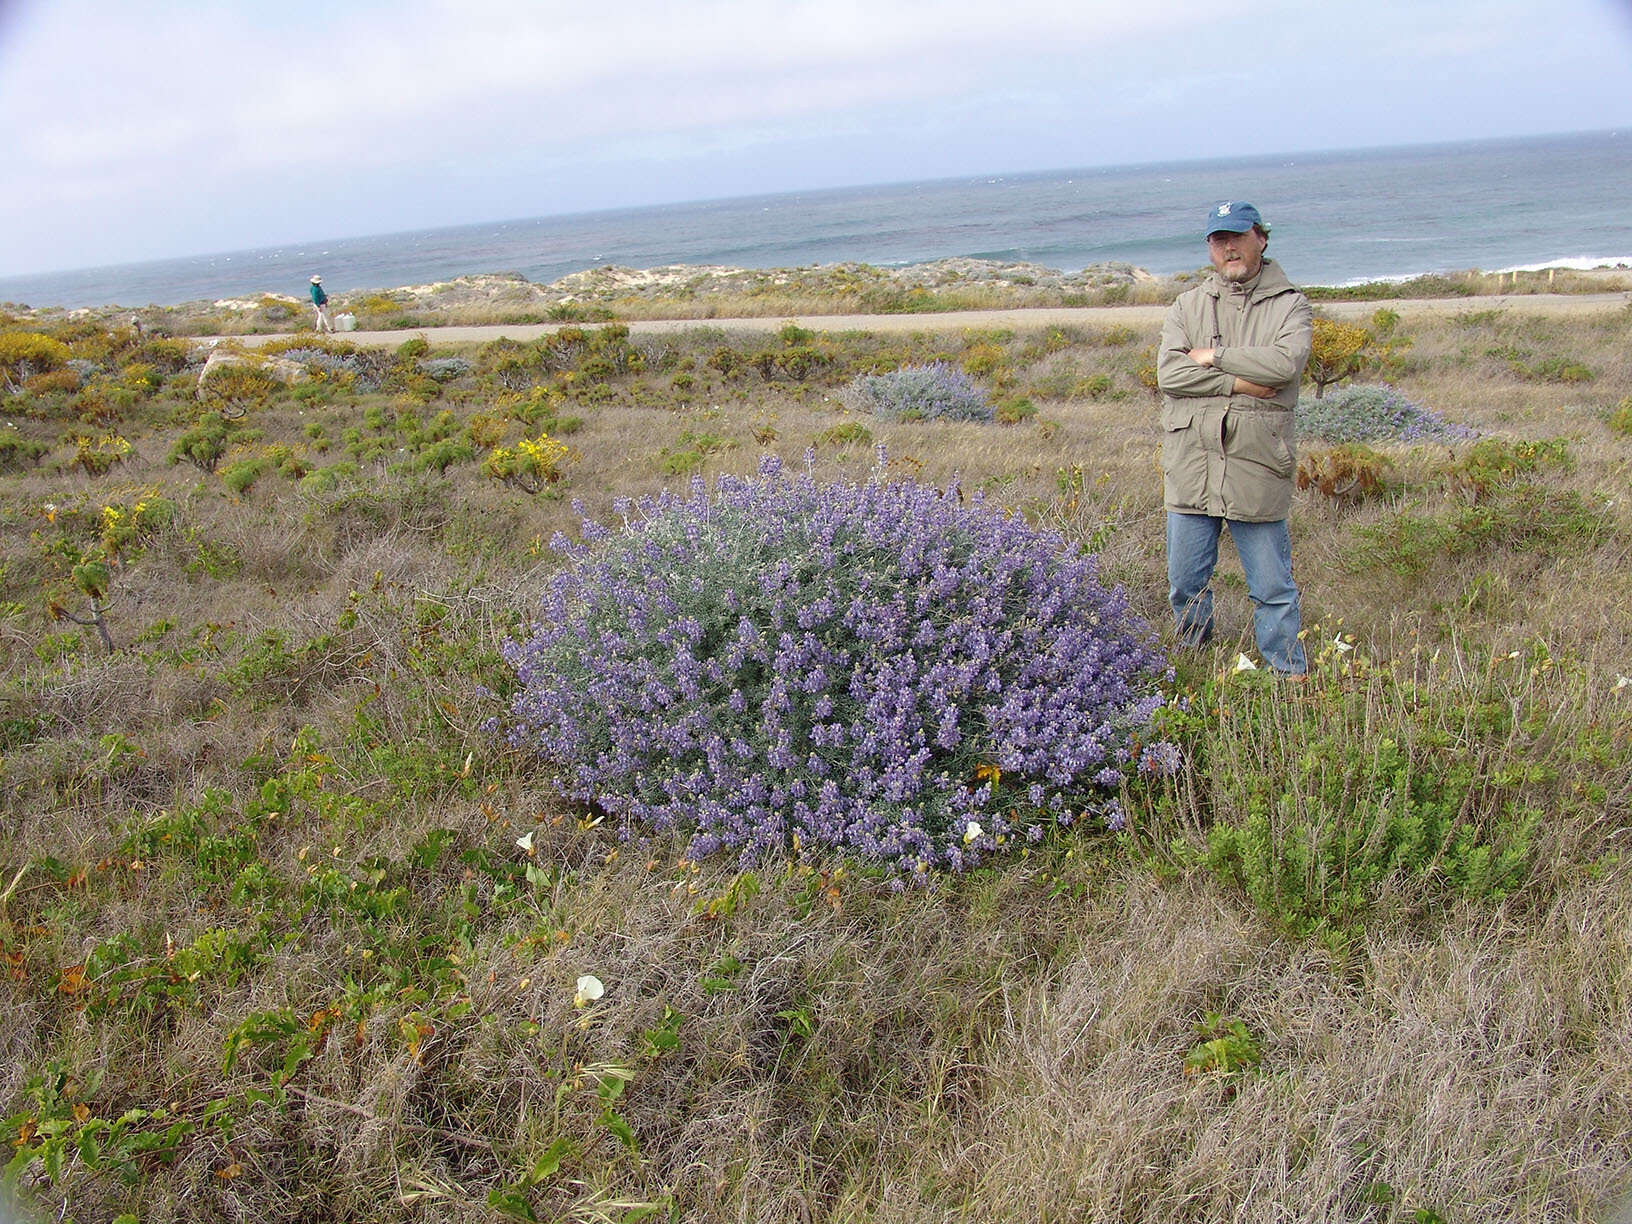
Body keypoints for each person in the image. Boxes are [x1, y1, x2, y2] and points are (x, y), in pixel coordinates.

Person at [1155, 201, 1312, 675]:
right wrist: (1240, 381)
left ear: (1261, 238)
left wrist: (1213, 356)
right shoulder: (1188, 305)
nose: (1228, 247)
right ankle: (1191, 668)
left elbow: (1283, 366)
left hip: (1257, 463)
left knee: (1271, 587)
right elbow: (1169, 372)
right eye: (1218, 239)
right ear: (1210, 248)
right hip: (1192, 465)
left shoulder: (1291, 305)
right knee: (1186, 584)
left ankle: (1289, 678)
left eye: (1237, 236)